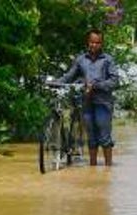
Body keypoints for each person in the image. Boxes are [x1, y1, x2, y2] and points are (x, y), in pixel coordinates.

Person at [57, 29, 120, 167]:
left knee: (104, 136)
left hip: (103, 102)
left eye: (97, 42)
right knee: (91, 137)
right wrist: (56, 82)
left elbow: (114, 81)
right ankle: (93, 168)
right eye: (92, 42)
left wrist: (96, 85)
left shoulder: (107, 60)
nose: (94, 45)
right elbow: (69, 76)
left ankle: (108, 170)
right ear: (88, 42)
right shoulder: (81, 59)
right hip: (86, 102)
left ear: (102, 43)